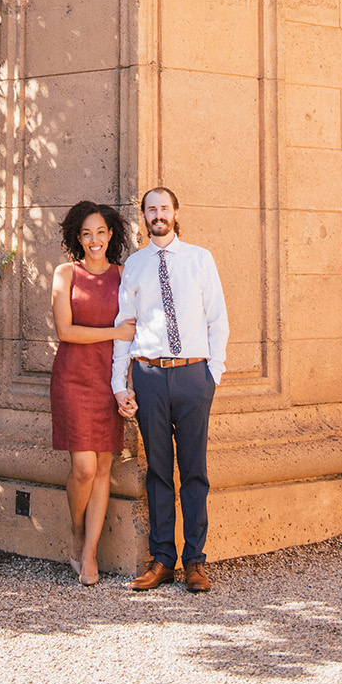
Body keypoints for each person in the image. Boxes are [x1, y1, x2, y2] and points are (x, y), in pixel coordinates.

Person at [111, 186, 228, 593]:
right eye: (151, 209)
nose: (158, 214)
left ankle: (195, 561)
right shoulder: (136, 266)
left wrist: (213, 373)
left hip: (194, 377)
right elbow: (125, 327)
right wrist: (118, 383)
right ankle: (162, 560)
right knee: (159, 471)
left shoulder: (200, 259)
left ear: (176, 212)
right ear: (143, 216)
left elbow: (218, 319)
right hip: (149, 377)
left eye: (164, 207)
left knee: (194, 471)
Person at [50, 200, 136, 586]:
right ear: (77, 238)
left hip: (110, 380)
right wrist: (114, 333)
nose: (94, 239)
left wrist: (129, 382)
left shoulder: (124, 275)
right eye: (86, 233)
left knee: (104, 468)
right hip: (73, 378)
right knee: (83, 468)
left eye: (100, 232)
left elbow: (137, 330)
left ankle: (89, 554)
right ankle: (75, 530)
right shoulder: (65, 273)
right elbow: (65, 332)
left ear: (111, 234)